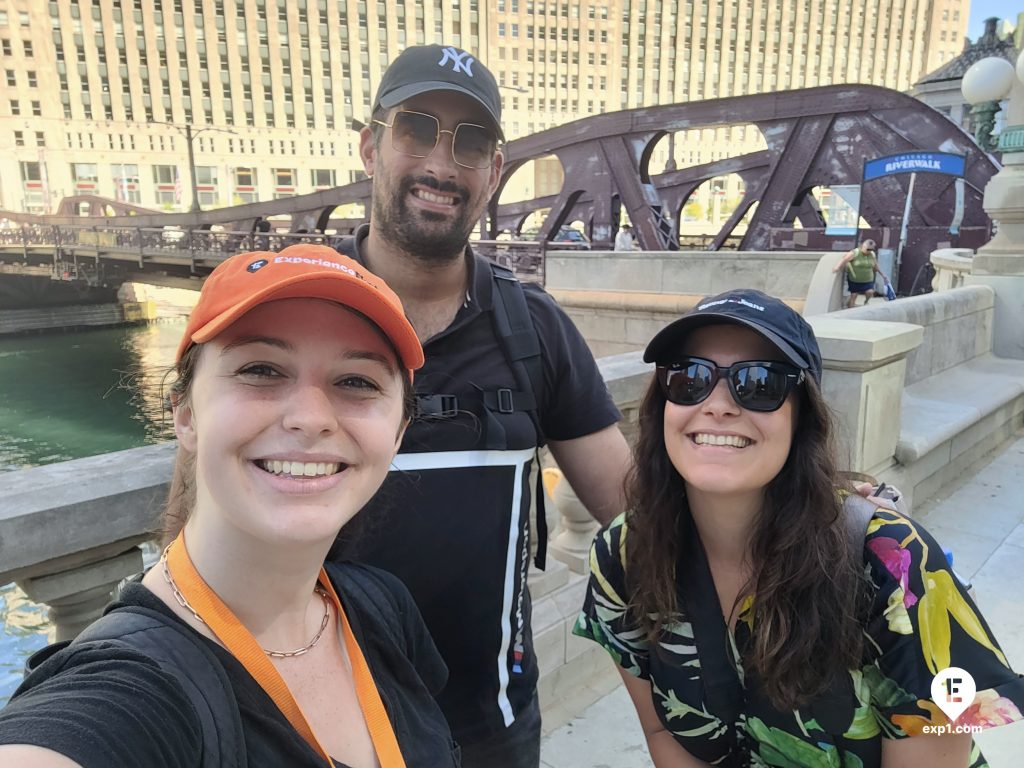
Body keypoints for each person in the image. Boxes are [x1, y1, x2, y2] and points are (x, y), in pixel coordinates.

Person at [0, 244, 459, 767]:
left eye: (357, 381)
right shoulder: (127, 690)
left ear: (398, 433)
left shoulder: (384, 607)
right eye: (261, 369)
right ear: (186, 414)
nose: (311, 418)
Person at [334, 43, 632, 767]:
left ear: (494, 172)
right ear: (371, 147)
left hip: (492, 733)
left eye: (470, 143)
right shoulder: (299, 314)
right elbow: (204, 515)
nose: (442, 165)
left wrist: (805, 503)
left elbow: (636, 509)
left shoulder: (535, 329)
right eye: (417, 129)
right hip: (324, 732)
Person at [575, 288, 1024, 767]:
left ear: (802, 416)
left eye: (759, 383)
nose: (718, 405)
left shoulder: (895, 563)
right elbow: (661, 730)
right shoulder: (624, 551)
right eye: (690, 377)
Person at [833, 238, 890, 308]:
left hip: (868, 279)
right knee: (854, 295)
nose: (869, 251)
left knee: (870, 292)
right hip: (855, 279)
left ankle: (866, 301)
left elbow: (875, 265)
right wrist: (837, 267)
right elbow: (844, 259)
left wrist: (882, 274)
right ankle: (850, 306)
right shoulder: (855, 253)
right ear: (862, 246)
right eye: (868, 249)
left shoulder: (872, 254)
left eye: (871, 249)